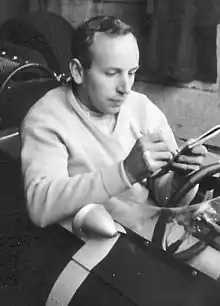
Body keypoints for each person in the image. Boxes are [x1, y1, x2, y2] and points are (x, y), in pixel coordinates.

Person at [21, 15, 207, 239]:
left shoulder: (141, 108)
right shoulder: (46, 119)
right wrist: (126, 171)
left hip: (161, 235)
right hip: (106, 248)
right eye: (112, 73)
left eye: (132, 72)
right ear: (78, 71)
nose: (125, 87)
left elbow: (165, 196)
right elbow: (40, 206)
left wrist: (180, 177)